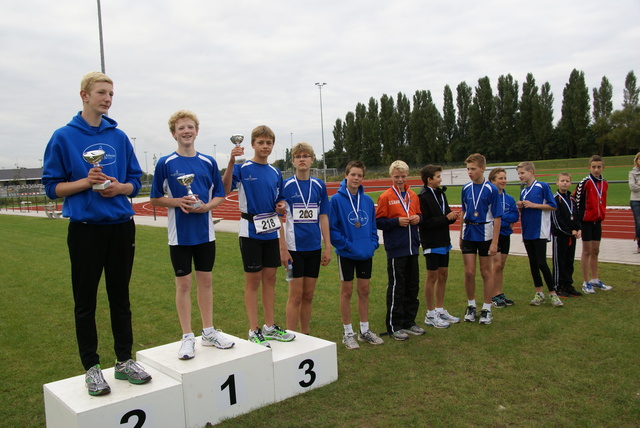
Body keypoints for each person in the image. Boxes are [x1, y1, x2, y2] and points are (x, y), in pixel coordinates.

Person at [42, 72, 151, 396]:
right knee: (85, 301)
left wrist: (120, 188)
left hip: (120, 227)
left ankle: (123, 361)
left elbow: (135, 182)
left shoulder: (119, 136)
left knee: (121, 299)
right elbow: (52, 188)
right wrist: (85, 183)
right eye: (101, 93)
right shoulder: (63, 137)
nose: (107, 98)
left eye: (111, 94)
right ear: (84, 95)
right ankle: (91, 367)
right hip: (85, 230)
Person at [150, 110, 234, 360]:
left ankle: (208, 332)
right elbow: (155, 198)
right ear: (173, 133)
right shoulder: (165, 163)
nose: (186, 131)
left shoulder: (207, 162)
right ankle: (187, 336)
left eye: (190, 127)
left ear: (196, 131)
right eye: (180, 128)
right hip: (179, 236)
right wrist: (178, 202)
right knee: (184, 284)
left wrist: (207, 207)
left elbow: (220, 192)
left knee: (206, 283)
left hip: (205, 234)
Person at [222, 125, 294, 347]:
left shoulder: (275, 172)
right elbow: (225, 190)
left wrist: (281, 205)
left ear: (273, 145)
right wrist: (231, 162)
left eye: (269, 143)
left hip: (271, 229)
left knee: (270, 279)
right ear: (252, 144)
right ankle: (253, 329)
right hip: (250, 229)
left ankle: (269, 326)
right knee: (252, 281)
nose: (265, 146)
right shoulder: (243, 168)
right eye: (261, 142)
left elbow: (279, 200)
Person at [279, 142, 332, 335]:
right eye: (298, 156)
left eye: (306, 155)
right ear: (293, 161)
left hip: (313, 249)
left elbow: (324, 216)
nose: (302, 159)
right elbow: (279, 218)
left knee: (308, 295)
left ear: (312, 159)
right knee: (295, 296)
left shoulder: (319, 186)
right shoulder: (286, 186)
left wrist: (327, 247)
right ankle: (291, 335)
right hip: (294, 250)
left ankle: (305, 335)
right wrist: (282, 248)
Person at [330, 161, 383, 349]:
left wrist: (373, 244)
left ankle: (364, 330)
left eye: (359, 175)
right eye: (353, 174)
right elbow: (332, 229)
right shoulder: (335, 200)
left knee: (364, 290)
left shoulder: (367, 201)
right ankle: (347, 333)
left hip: (365, 253)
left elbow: (373, 227)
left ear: (363, 178)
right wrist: (348, 246)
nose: (356, 178)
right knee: (346, 292)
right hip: (346, 253)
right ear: (346, 176)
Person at [376, 160, 424, 341]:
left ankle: (409, 321)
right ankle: (394, 325)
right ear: (391, 176)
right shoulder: (385, 197)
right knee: (397, 287)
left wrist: (418, 219)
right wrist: (396, 222)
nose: (400, 180)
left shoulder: (413, 195)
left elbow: (420, 215)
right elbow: (378, 221)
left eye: (403, 176)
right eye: (396, 176)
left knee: (413, 286)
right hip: (397, 249)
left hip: (412, 247)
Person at [460, 153, 502, 325]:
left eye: (473, 169)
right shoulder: (465, 188)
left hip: (485, 233)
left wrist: (495, 242)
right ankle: (471, 305)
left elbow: (498, 217)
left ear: (483, 168)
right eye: (468, 169)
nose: (470, 172)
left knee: (486, 272)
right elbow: (463, 211)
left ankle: (487, 308)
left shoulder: (491, 189)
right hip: (469, 231)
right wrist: (461, 235)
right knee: (469, 272)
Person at [418, 164, 461, 329]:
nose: (440, 179)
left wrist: (453, 217)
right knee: (432, 277)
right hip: (431, 242)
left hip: (444, 241)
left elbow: (446, 214)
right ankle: (430, 314)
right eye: (437, 177)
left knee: (443, 275)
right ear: (429, 179)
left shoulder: (440, 194)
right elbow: (426, 223)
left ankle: (440, 309)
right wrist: (446, 218)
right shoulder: (423, 197)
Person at [516, 161, 562, 307]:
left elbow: (553, 206)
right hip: (528, 231)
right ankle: (539, 292)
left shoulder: (542, 186)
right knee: (533, 263)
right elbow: (524, 210)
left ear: (531, 172)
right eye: (519, 174)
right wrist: (521, 207)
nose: (520, 176)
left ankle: (553, 294)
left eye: (522, 173)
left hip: (540, 230)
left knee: (542, 262)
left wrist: (534, 205)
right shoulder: (523, 191)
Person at [574, 155, 613, 293]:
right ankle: (586, 282)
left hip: (598, 221)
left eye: (599, 167)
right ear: (589, 167)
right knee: (587, 251)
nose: (596, 170)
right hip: (586, 221)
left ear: (603, 167)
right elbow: (576, 201)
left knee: (596, 251)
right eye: (594, 167)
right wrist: (577, 223)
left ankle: (595, 280)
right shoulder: (585, 182)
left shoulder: (605, 183)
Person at [488, 168, 518, 308]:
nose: (504, 181)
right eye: (500, 178)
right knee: (496, 265)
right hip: (494, 235)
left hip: (505, 235)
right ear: (492, 181)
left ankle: (499, 293)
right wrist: (505, 221)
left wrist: (502, 220)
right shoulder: (490, 197)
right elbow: (493, 219)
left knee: (501, 266)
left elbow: (515, 217)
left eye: (505, 178)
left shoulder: (510, 198)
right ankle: (493, 295)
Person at [551, 172, 582, 298]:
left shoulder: (572, 199)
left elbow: (576, 216)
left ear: (570, 183)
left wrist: (579, 228)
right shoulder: (555, 199)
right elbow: (557, 221)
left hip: (572, 236)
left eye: (567, 181)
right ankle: (557, 287)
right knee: (560, 261)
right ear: (557, 182)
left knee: (569, 261)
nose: (565, 183)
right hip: (560, 236)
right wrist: (569, 231)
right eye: (562, 180)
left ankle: (568, 285)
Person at [629, 152, 640, 254]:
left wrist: (638, 184)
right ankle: (639, 245)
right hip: (636, 201)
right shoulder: (632, 173)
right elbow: (632, 186)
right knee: (638, 223)